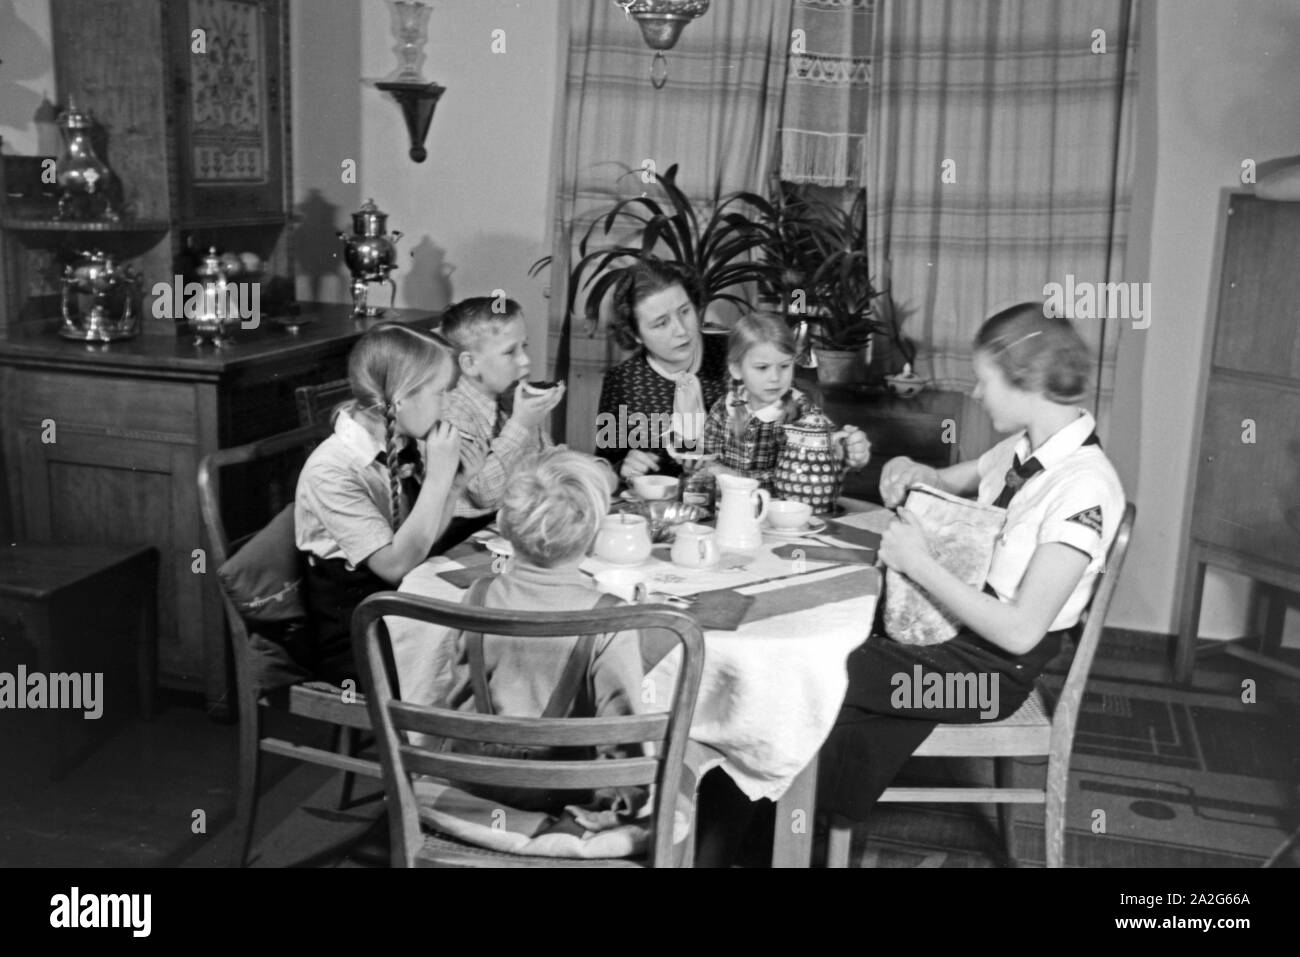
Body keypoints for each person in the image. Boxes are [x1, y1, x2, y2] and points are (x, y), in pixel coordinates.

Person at [817, 302, 1126, 824]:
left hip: (986, 678)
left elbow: (1021, 632)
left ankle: (772, 825)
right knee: (833, 659)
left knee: (822, 672)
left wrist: (917, 564)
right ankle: (803, 821)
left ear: (1024, 380)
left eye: (985, 380)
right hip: (951, 642)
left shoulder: (1084, 489)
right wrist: (913, 469)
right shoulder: (1023, 450)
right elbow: (947, 480)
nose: (978, 394)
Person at [443, 449, 649, 820]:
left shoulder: (475, 595)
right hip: (564, 793)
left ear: (504, 527)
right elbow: (623, 737)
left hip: (470, 783)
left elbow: (457, 701)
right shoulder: (611, 619)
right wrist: (621, 805)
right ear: (593, 536)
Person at [295, 322, 482, 685]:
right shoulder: (332, 470)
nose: (448, 405)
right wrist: (438, 478)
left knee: (488, 637)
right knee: (481, 653)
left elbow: (420, 542)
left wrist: (453, 487)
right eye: (441, 393)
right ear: (400, 398)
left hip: (395, 608)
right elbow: (395, 564)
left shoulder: (397, 442)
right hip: (356, 634)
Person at [437, 295, 564, 547]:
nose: (525, 360)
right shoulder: (451, 410)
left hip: (510, 522)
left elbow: (543, 462)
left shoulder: (512, 398)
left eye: (524, 347)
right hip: (461, 535)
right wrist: (521, 425)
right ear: (470, 364)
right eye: (510, 352)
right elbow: (484, 493)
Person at [698, 312, 871, 490]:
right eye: (762, 368)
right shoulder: (724, 408)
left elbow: (817, 464)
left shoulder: (803, 413)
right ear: (736, 369)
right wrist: (699, 463)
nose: (775, 377)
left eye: (784, 366)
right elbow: (707, 457)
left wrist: (851, 452)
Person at [594, 259, 730, 482]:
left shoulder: (735, 357)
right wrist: (623, 468)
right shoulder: (622, 381)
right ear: (635, 334)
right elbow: (605, 466)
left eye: (685, 312)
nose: (681, 330)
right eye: (661, 323)